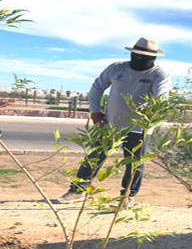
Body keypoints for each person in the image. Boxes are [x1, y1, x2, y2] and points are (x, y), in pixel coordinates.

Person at [53, 37, 171, 206]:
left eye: (145, 57)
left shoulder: (159, 74)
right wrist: (95, 111)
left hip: (139, 128)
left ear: (154, 58)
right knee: (93, 158)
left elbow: (162, 96)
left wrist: (152, 110)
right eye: (136, 55)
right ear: (131, 53)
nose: (139, 59)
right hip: (110, 125)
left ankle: (127, 197)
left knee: (134, 164)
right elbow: (97, 87)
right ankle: (77, 191)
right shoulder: (116, 69)